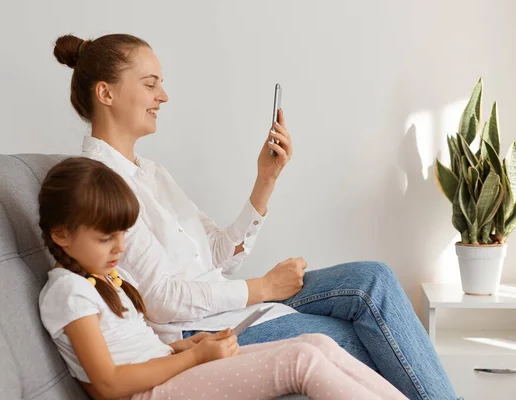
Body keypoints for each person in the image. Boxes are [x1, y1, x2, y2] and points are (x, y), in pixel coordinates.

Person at [52, 33, 459, 400]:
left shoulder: (152, 173)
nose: (163, 96)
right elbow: (160, 301)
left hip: (232, 302)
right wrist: (262, 288)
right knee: (355, 337)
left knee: (374, 278)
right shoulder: (98, 190)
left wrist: (265, 179)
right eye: (150, 83)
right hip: (198, 328)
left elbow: (218, 254)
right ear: (105, 93)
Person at [37, 157, 408, 400]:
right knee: (300, 360)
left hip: (165, 373)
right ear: (61, 234)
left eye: (122, 235)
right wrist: (194, 358)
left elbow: (133, 348)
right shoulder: (68, 291)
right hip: (154, 393)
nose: (120, 249)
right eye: (106, 239)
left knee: (317, 344)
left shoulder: (101, 279)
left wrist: (182, 348)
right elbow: (106, 384)